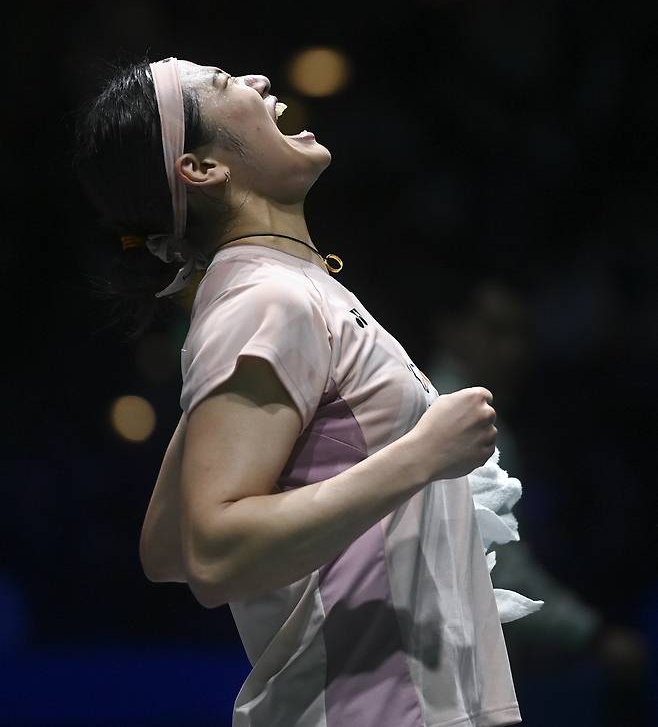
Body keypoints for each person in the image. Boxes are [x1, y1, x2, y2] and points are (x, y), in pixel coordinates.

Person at [73, 56, 539, 727]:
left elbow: (166, 545)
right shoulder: (267, 298)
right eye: (229, 84)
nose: (260, 80)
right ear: (202, 168)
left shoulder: (274, 288)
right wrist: (424, 455)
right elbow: (210, 550)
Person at [423, 271, 651, 698]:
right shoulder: (461, 421)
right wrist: (595, 636)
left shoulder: (432, 405)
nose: (512, 350)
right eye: (494, 331)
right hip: (444, 672)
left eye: (520, 334)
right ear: (450, 328)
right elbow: (498, 572)